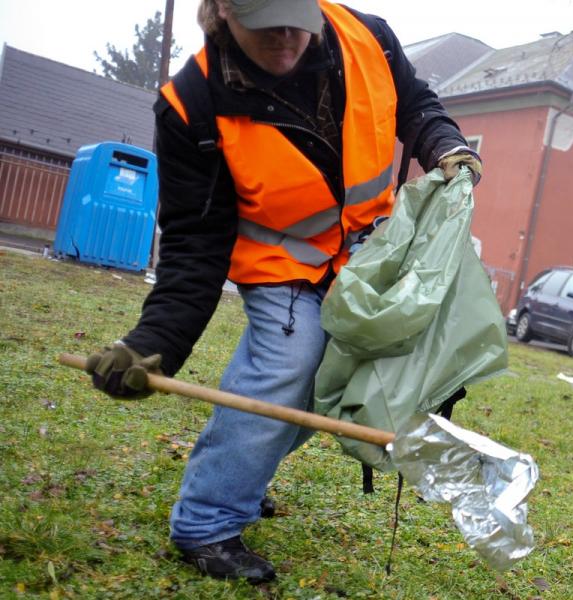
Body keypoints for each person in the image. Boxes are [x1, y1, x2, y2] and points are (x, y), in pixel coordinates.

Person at [84, 0, 480, 584]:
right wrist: (153, 342)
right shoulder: (192, 103)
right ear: (223, 10)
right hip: (282, 262)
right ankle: (207, 521)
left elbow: (416, 103)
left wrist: (443, 144)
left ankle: (244, 470)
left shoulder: (365, 38)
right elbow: (194, 245)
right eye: (268, 25)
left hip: (366, 254)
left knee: (331, 386)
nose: (290, 38)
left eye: (298, 17)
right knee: (289, 367)